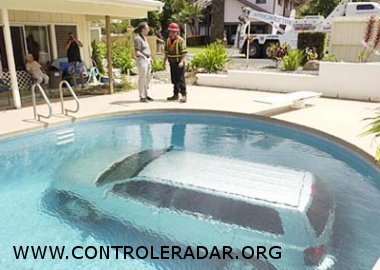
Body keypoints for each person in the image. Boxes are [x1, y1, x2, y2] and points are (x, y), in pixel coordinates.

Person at [164, 23, 188, 103]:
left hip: (179, 62)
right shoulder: (167, 40)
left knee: (181, 79)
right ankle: (175, 94)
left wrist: (181, 62)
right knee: (174, 79)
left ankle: (184, 95)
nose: (172, 33)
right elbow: (166, 52)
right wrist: (164, 61)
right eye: (171, 31)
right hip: (172, 62)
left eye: (174, 31)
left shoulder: (181, 40)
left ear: (177, 32)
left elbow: (184, 53)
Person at [134, 22, 153, 103]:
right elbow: (137, 52)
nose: (148, 30)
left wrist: (150, 57)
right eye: (147, 28)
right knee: (142, 78)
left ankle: (146, 94)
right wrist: (144, 56)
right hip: (142, 60)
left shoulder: (144, 38)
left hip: (147, 60)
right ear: (142, 29)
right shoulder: (138, 38)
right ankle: (142, 96)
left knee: (148, 77)